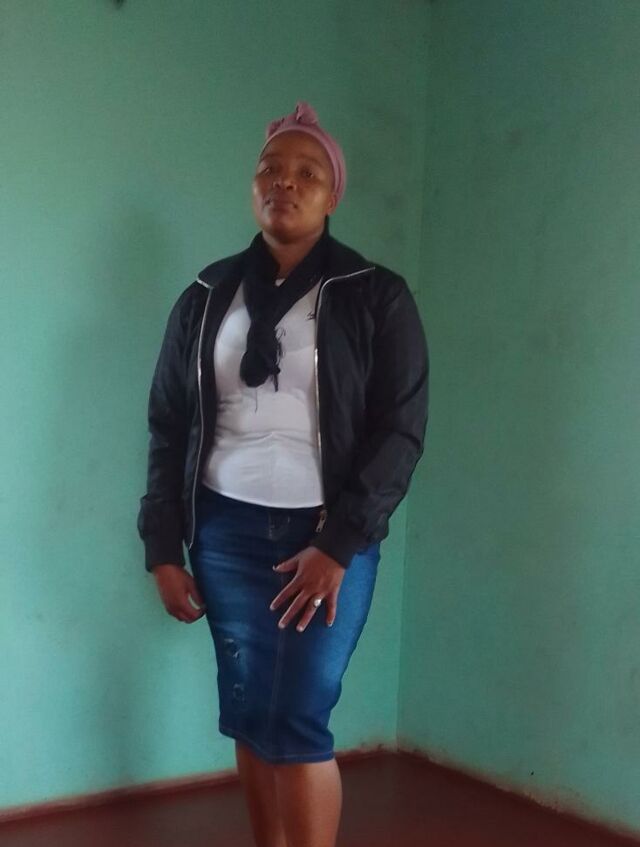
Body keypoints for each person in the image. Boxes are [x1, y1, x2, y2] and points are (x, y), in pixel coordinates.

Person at [137, 101, 429, 847]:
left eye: (307, 173)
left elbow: (400, 431)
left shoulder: (376, 294)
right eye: (270, 170)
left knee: (298, 717)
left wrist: (339, 544)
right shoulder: (206, 296)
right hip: (225, 532)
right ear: (253, 186)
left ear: (333, 196)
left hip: (327, 539)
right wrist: (163, 547)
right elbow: (168, 423)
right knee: (249, 711)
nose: (284, 183)